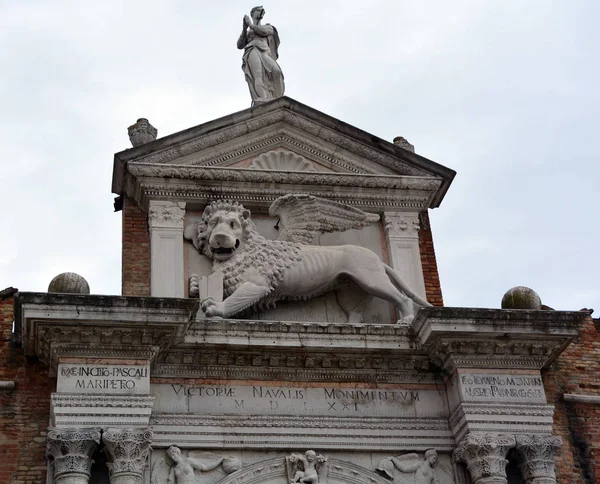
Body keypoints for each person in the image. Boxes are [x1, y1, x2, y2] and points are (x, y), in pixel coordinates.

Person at [237, 6, 285, 105]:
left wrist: (250, 24)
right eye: (258, 10)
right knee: (258, 75)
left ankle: (278, 98)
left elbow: (262, 31)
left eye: (262, 11)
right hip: (253, 50)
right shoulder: (249, 32)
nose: (261, 12)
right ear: (252, 13)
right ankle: (262, 99)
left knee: (277, 71)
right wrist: (244, 28)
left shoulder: (269, 27)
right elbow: (239, 45)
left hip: (265, 53)